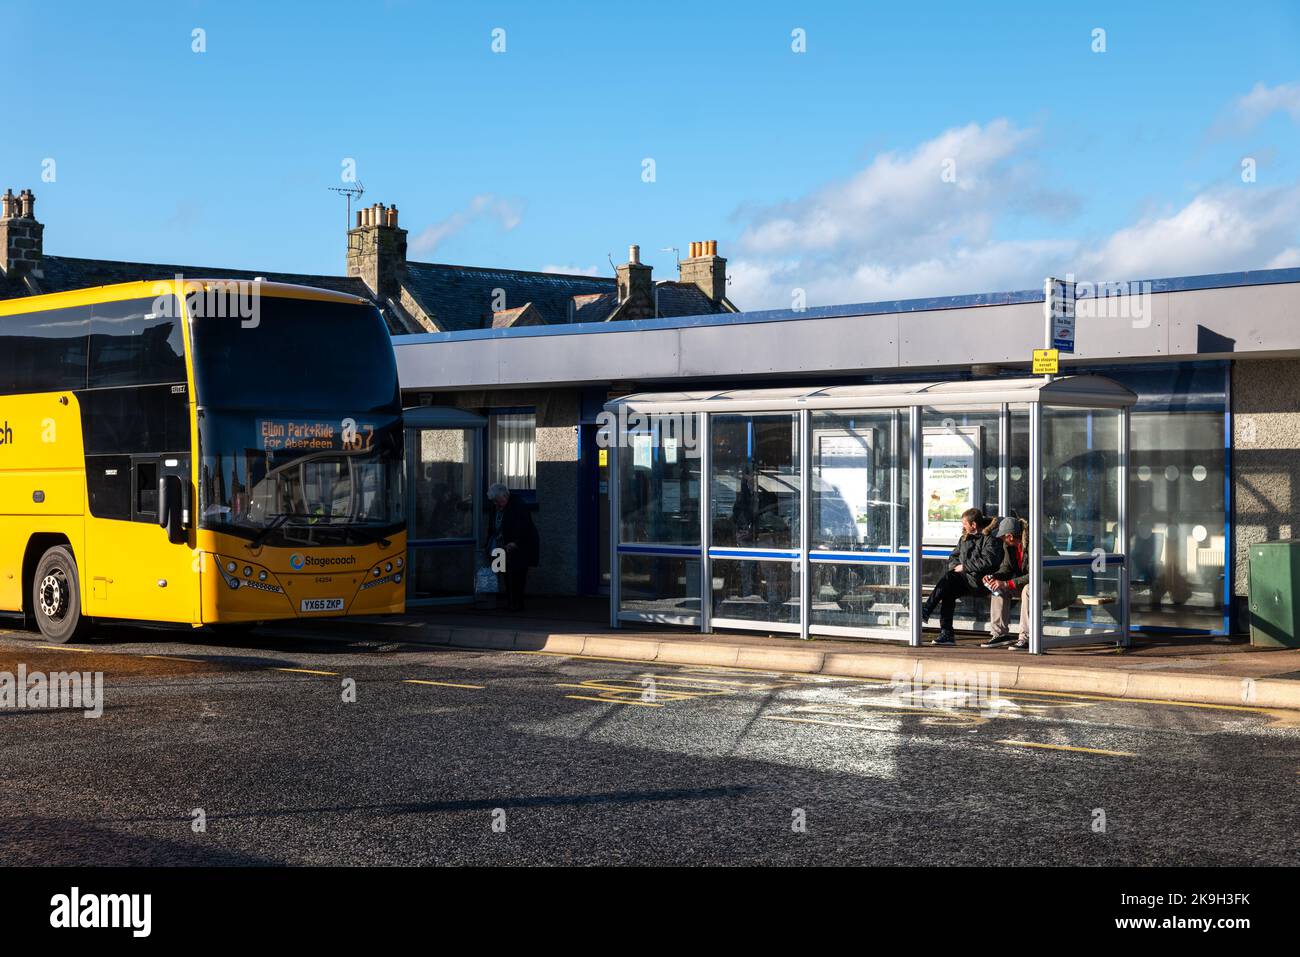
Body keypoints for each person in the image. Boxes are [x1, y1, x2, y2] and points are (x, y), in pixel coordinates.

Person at [982, 515, 1078, 650]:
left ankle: (1026, 637)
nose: (1001, 539)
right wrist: (994, 577)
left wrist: (1008, 583)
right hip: (1030, 581)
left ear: (1010, 536)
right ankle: (999, 634)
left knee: (1029, 589)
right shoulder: (1008, 546)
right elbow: (1006, 568)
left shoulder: (1036, 543)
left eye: (1002, 536)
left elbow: (1037, 573)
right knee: (998, 588)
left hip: (1053, 584)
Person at [920, 508, 1003, 645]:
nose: (963, 527)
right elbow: (954, 556)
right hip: (965, 580)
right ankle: (946, 633)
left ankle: (927, 610)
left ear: (974, 525)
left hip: (981, 582)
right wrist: (955, 566)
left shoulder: (990, 538)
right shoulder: (964, 538)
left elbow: (989, 561)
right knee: (948, 590)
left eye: (965, 524)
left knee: (948, 580)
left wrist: (965, 567)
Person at [486, 483, 539, 612]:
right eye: (494, 502)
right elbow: (492, 527)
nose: (496, 504)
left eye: (498, 501)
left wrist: (515, 542)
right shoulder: (497, 507)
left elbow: (524, 527)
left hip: (519, 546)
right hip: (500, 546)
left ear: (505, 496)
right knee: (503, 573)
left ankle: (517, 603)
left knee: (517, 574)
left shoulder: (518, 505)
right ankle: (508, 601)